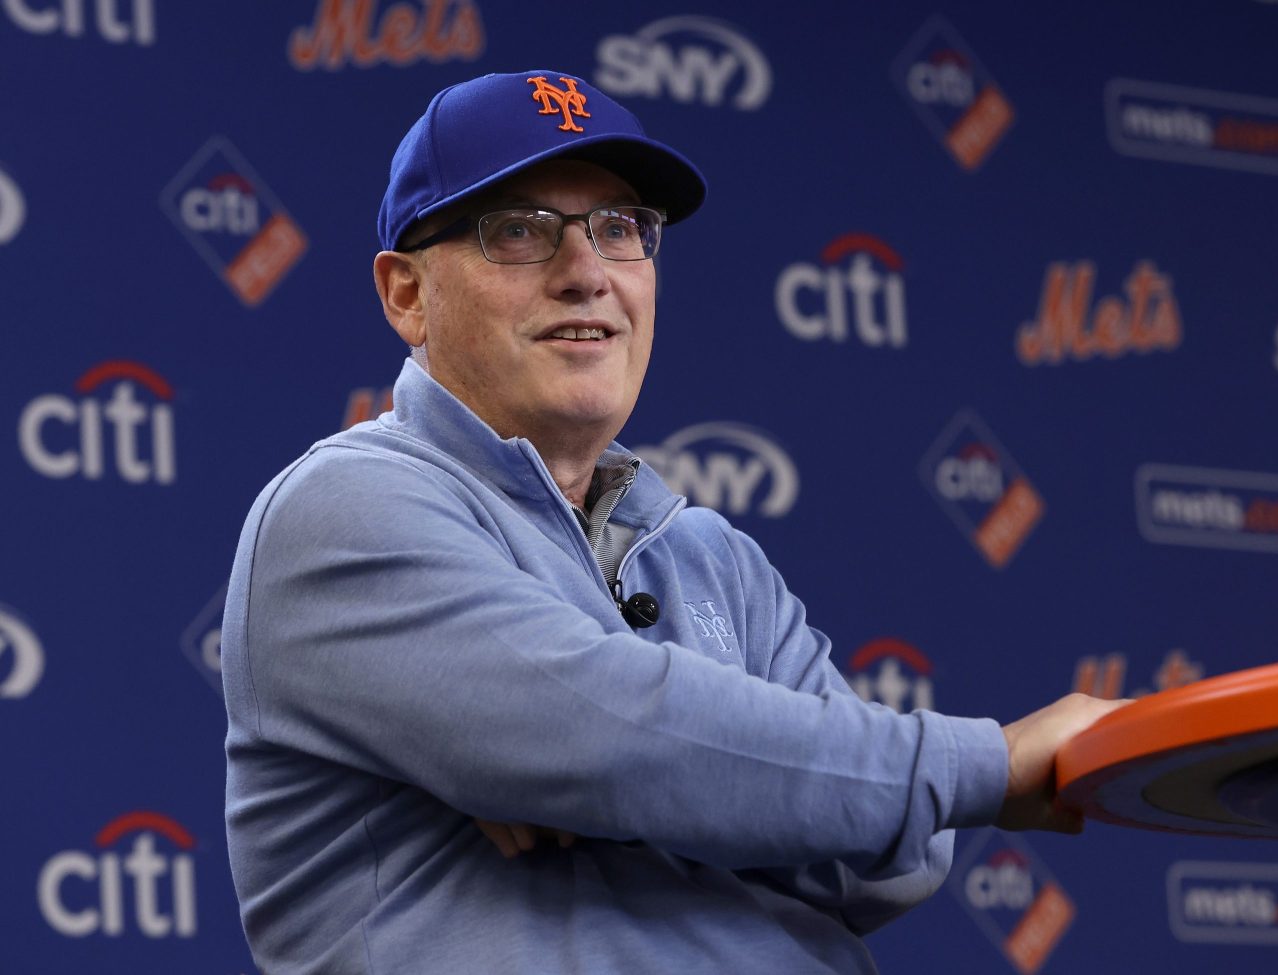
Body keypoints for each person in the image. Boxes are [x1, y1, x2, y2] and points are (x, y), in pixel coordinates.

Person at [221, 69, 1126, 975]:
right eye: (521, 230)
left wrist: (650, 788)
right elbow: (603, 737)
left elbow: (895, 865)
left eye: (620, 229)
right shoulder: (343, 506)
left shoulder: (714, 556)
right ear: (407, 294)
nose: (587, 273)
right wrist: (984, 765)